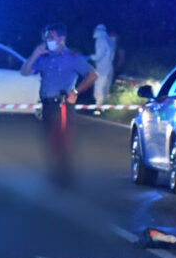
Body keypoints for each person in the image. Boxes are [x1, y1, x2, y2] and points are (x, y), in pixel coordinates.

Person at [21, 22, 96, 185]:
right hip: (47, 105)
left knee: (63, 142)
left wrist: (75, 92)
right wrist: (36, 53)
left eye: (51, 37)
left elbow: (92, 75)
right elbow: (25, 72)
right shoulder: (45, 58)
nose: (48, 40)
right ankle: (55, 175)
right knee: (49, 141)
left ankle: (65, 179)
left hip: (62, 105)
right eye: (46, 37)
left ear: (62, 39)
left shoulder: (72, 58)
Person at [91, 23, 115, 112]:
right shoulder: (110, 40)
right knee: (105, 88)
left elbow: (99, 55)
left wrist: (90, 57)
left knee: (99, 88)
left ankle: (98, 108)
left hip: (102, 68)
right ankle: (104, 108)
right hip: (109, 67)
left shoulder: (100, 40)